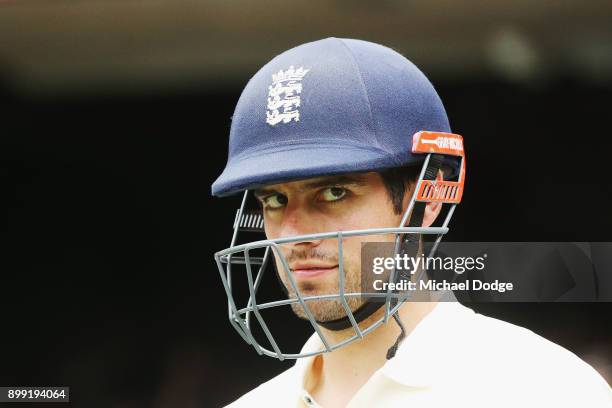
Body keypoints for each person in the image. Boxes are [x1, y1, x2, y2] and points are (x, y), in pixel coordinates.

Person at [211, 38, 611, 407]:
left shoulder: (543, 391)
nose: (293, 234)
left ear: (429, 197)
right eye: (276, 200)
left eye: (334, 193)